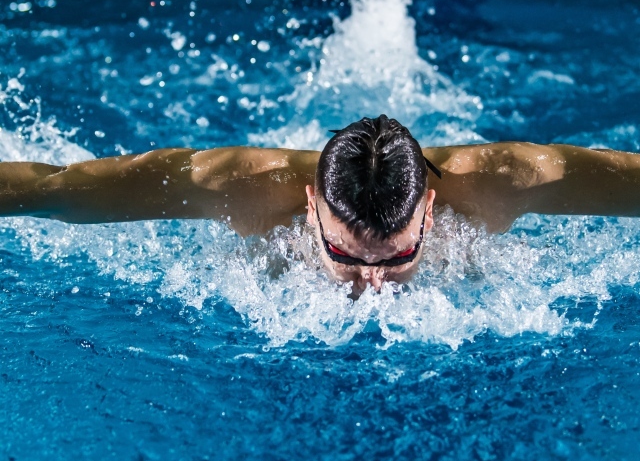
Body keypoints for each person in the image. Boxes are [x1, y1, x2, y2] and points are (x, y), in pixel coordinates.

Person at [1, 114, 640, 294]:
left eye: (398, 259)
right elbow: (57, 188)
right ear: (311, 206)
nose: (373, 286)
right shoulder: (239, 185)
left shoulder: (504, 181)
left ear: (429, 211)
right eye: (342, 255)